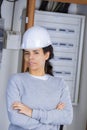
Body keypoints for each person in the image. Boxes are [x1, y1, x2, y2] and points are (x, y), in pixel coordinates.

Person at [6, 26, 73, 130]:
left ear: (46, 55)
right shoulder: (16, 81)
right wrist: (52, 121)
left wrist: (31, 112)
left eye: (36, 52)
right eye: (27, 53)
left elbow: (67, 117)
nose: (30, 57)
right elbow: (16, 118)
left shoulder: (60, 84)